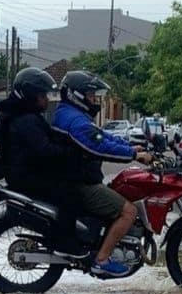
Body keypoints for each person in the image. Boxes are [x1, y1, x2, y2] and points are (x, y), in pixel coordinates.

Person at [52, 71, 154, 277]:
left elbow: (103, 137)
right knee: (128, 211)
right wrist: (134, 154)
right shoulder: (74, 120)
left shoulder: (72, 115)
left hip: (77, 179)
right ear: (76, 95)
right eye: (90, 95)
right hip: (79, 184)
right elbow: (98, 146)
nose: (93, 99)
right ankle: (102, 259)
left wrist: (132, 145)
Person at [0, 67, 82, 248]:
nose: (46, 99)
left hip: (25, 173)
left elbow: (49, 138)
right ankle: (65, 242)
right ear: (30, 95)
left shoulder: (25, 116)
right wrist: (72, 152)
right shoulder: (26, 121)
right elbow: (45, 149)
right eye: (42, 95)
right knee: (72, 193)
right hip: (26, 176)